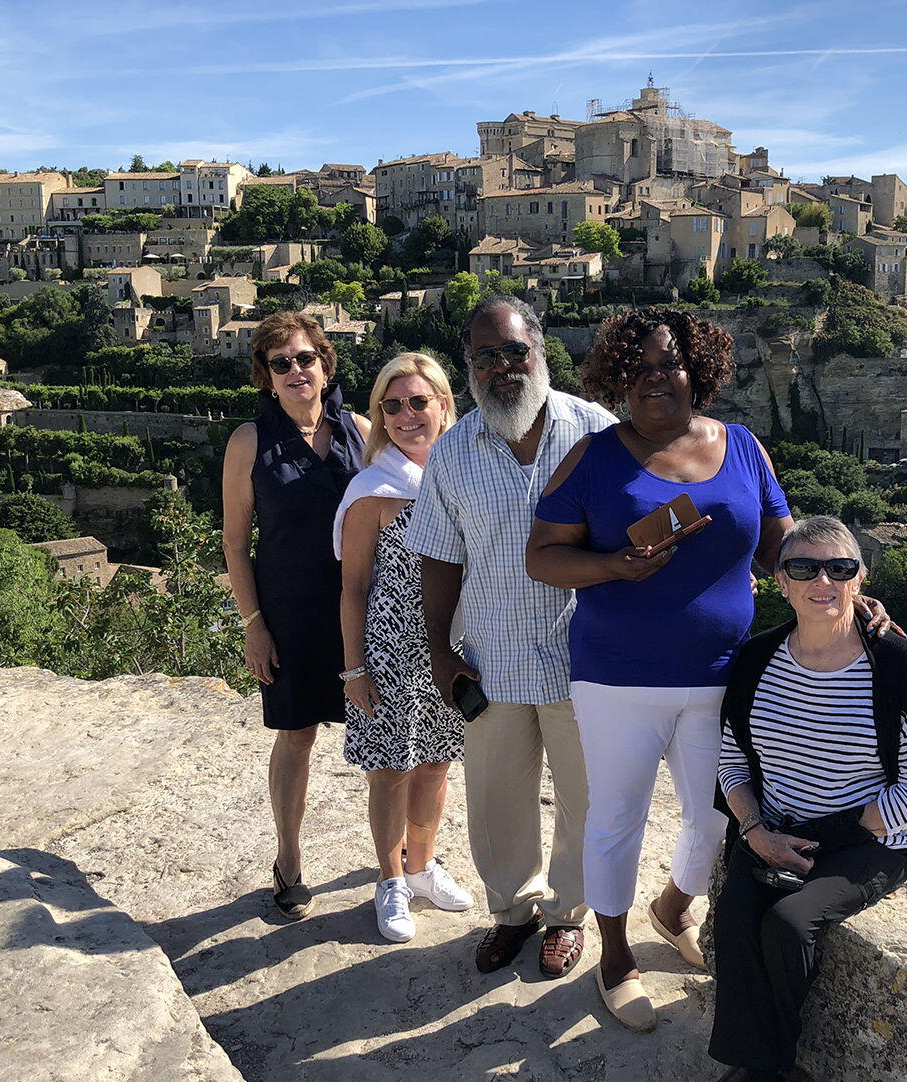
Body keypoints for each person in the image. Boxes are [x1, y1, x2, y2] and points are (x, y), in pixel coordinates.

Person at [526, 307, 793, 1033]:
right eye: (637, 368)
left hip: (723, 675)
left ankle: (672, 907)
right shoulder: (594, 458)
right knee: (618, 818)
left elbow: (781, 548)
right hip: (617, 679)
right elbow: (541, 557)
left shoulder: (743, 448)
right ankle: (615, 959)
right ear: (616, 378)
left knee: (717, 817)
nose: (654, 379)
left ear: (695, 370)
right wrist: (614, 566)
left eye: (668, 363)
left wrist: (842, 584)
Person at [696, 515, 907, 1082]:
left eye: (840, 569)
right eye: (804, 568)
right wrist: (753, 830)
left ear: (860, 580)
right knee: (736, 915)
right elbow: (732, 756)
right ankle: (759, 1078)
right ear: (780, 582)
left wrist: (831, 839)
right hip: (773, 826)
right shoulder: (756, 660)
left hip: (868, 837)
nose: (823, 581)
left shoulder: (891, 662)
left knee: (789, 924)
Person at [406, 295, 616, 978]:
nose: (503, 367)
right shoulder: (452, 454)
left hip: (585, 662)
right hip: (490, 660)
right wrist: (440, 652)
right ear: (469, 367)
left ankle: (567, 916)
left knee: (587, 800)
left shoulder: (598, 436)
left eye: (515, 351)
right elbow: (438, 556)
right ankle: (513, 913)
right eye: (485, 356)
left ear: (542, 349)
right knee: (496, 802)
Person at [222, 311, 366, 921]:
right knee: (297, 734)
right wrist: (253, 623)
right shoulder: (249, 442)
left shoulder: (362, 428)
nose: (295, 371)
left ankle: (407, 858)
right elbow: (234, 542)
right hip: (290, 611)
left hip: (366, 606)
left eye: (305, 358)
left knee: (391, 731)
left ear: (325, 364)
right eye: (281, 364)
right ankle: (289, 862)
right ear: (267, 377)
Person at [335, 353, 474, 942]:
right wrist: (353, 671)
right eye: (390, 406)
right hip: (389, 653)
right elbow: (353, 589)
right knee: (390, 771)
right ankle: (390, 880)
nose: (405, 415)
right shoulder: (373, 492)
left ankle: (422, 866)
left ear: (444, 405)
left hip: (453, 649)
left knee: (438, 763)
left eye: (418, 401)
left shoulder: (466, 479)